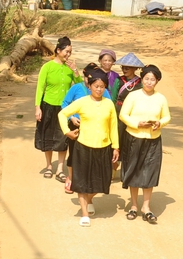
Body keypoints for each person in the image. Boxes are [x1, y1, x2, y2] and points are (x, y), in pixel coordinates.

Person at [58, 69, 120, 227]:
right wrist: (67, 132)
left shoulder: (109, 104)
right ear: (90, 86)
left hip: (104, 147)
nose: (99, 89)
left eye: (102, 86)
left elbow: (113, 126)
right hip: (83, 147)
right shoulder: (82, 101)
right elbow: (62, 114)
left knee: (104, 181)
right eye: (96, 86)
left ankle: (89, 199)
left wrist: (116, 147)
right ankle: (84, 213)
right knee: (82, 181)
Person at [119, 64, 170, 224]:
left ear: (157, 81)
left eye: (152, 80)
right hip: (133, 138)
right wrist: (137, 123)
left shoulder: (161, 98)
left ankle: (146, 208)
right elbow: (123, 115)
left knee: (150, 172)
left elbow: (167, 117)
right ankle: (134, 206)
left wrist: (159, 123)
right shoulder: (133, 96)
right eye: (146, 79)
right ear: (142, 80)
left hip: (153, 140)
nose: (149, 82)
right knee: (134, 171)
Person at [61, 62, 111, 194]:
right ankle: (71, 178)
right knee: (73, 154)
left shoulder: (103, 91)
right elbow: (65, 103)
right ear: (84, 76)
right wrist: (71, 117)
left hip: (95, 129)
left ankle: (89, 181)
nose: (90, 81)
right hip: (76, 126)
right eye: (88, 77)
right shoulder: (76, 87)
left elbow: (109, 110)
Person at [35, 36, 80, 182]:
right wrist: (38, 107)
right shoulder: (47, 67)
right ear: (58, 50)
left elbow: (80, 87)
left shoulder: (69, 69)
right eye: (66, 51)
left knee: (63, 138)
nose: (68, 54)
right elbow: (40, 88)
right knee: (47, 136)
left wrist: (76, 73)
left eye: (70, 52)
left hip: (64, 109)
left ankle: (60, 169)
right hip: (48, 106)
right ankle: (49, 166)